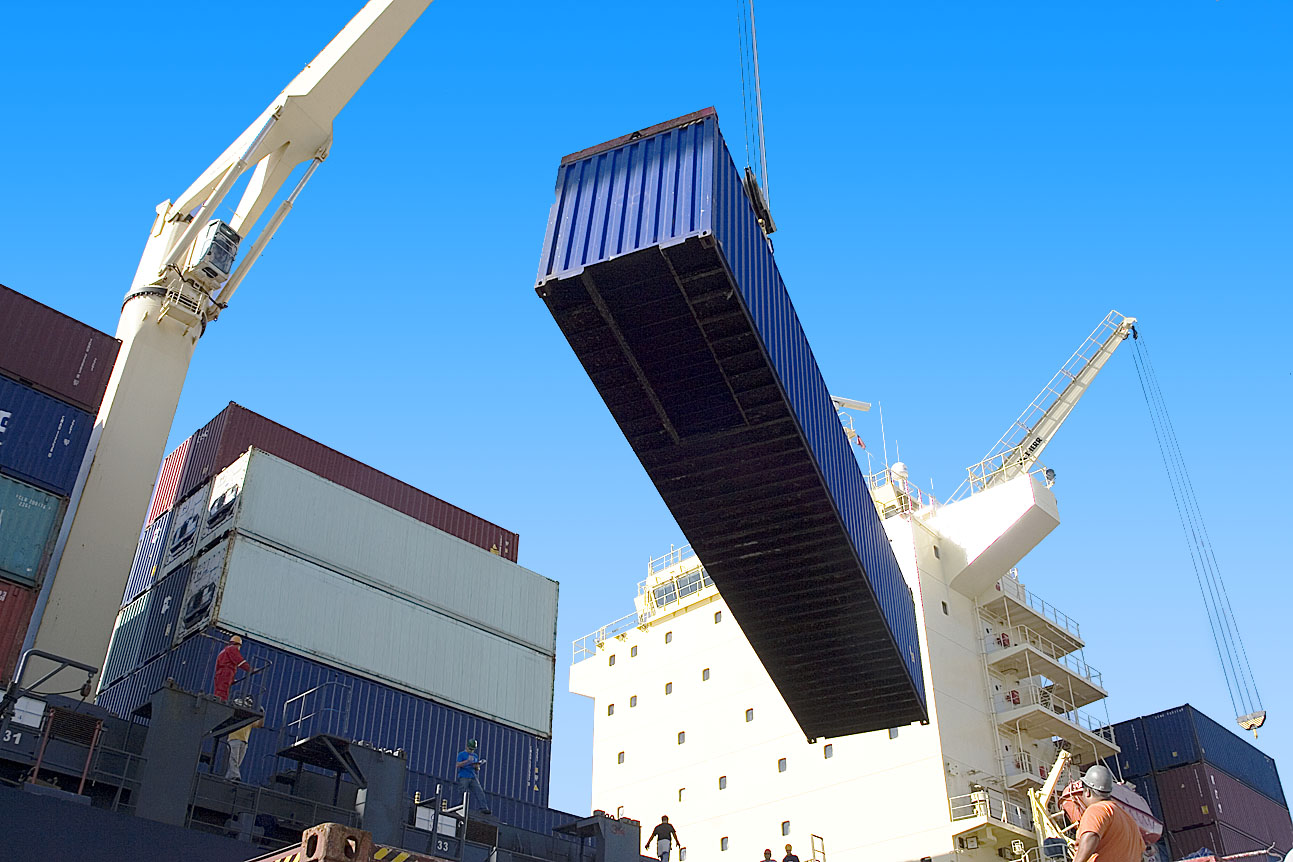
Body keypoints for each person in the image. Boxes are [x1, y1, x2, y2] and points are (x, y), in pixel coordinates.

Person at [1071, 765, 1145, 862]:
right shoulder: (1129, 820)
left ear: (1087, 791)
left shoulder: (1097, 810)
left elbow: (1091, 836)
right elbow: (1141, 855)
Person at [456, 738, 491, 815]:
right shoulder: (461, 754)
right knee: (462, 792)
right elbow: (458, 765)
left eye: (473, 749)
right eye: (470, 749)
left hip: (473, 776)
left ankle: (484, 807)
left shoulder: (475, 756)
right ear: (467, 747)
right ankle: (459, 807)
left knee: (479, 792)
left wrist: (477, 766)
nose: (471, 751)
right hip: (464, 776)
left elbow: (477, 769)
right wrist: (467, 761)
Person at [213, 635, 253, 700]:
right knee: (223, 691)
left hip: (220, 674)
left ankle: (218, 700)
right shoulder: (232, 648)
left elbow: (219, 665)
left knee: (219, 690)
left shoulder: (224, 651)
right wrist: (249, 669)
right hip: (226, 672)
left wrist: (231, 679)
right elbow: (239, 660)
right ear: (238, 644)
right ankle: (221, 701)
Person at [225, 717, 262, 781]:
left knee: (236, 763)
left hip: (244, 742)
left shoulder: (250, 719)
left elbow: (259, 725)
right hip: (234, 739)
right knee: (234, 760)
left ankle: (227, 779)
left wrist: (262, 716)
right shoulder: (237, 716)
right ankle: (236, 776)